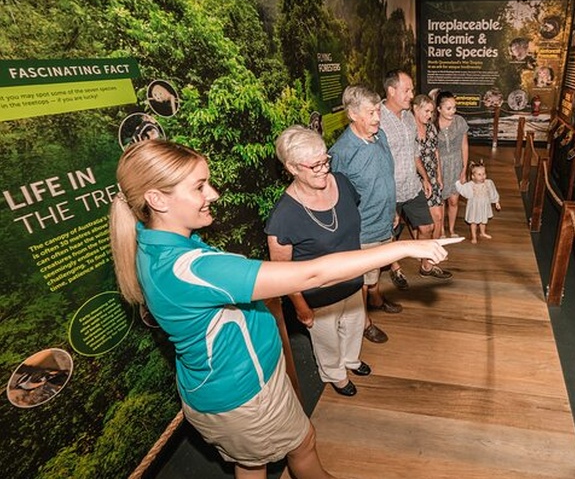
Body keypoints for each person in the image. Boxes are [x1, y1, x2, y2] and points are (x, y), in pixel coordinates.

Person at [109, 138, 453, 479]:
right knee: (302, 446)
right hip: (246, 396)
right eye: (199, 187)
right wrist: (405, 248)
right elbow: (314, 272)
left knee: (253, 462)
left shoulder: (153, 246)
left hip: (227, 389)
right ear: (156, 199)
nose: (212, 194)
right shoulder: (190, 268)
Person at [265, 126, 369, 398]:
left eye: (326, 160)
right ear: (292, 167)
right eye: (315, 165)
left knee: (354, 324)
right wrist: (301, 306)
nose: (324, 169)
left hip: (353, 282)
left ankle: (351, 360)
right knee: (327, 340)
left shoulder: (342, 182)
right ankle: (335, 373)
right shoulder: (283, 217)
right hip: (319, 296)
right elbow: (283, 273)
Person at [328, 85, 399, 342]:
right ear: (352, 115)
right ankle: (365, 322)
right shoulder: (342, 152)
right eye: (371, 113)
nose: (377, 118)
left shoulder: (380, 137)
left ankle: (377, 299)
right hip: (364, 229)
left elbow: (386, 176)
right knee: (361, 280)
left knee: (377, 270)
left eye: (378, 110)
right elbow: (336, 197)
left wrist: (393, 210)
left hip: (385, 220)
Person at [380, 69, 453, 281]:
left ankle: (426, 267)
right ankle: (395, 269)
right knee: (390, 234)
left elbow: (414, 152)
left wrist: (425, 177)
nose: (411, 95)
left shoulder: (409, 118)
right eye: (407, 90)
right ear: (392, 90)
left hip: (412, 186)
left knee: (427, 226)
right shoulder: (379, 120)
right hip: (390, 190)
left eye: (411, 90)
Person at [435, 90, 469, 239]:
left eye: (454, 107)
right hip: (440, 165)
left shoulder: (460, 121)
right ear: (439, 109)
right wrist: (437, 174)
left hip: (456, 163)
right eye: (448, 108)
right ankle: (441, 230)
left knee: (454, 200)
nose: (452, 111)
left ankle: (452, 229)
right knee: (441, 199)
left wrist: (464, 169)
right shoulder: (432, 124)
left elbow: (465, 146)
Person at [412, 94, 445, 240]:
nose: (429, 115)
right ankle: (422, 253)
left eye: (431, 112)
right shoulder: (408, 130)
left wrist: (439, 175)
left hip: (432, 178)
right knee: (421, 223)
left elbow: (436, 152)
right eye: (426, 111)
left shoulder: (431, 127)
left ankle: (433, 254)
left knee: (438, 217)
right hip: (415, 179)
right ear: (415, 109)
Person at [455, 161, 501, 244]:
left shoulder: (488, 183)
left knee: (483, 220)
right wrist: (458, 183)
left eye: (484, 174)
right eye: (479, 174)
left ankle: (482, 232)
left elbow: (493, 192)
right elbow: (464, 191)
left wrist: (496, 202)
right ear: (473, 176)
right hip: (474, 207)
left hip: (484, 205)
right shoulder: (470, 185)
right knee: (474, 222)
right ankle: (474, 236)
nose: (482, 176)